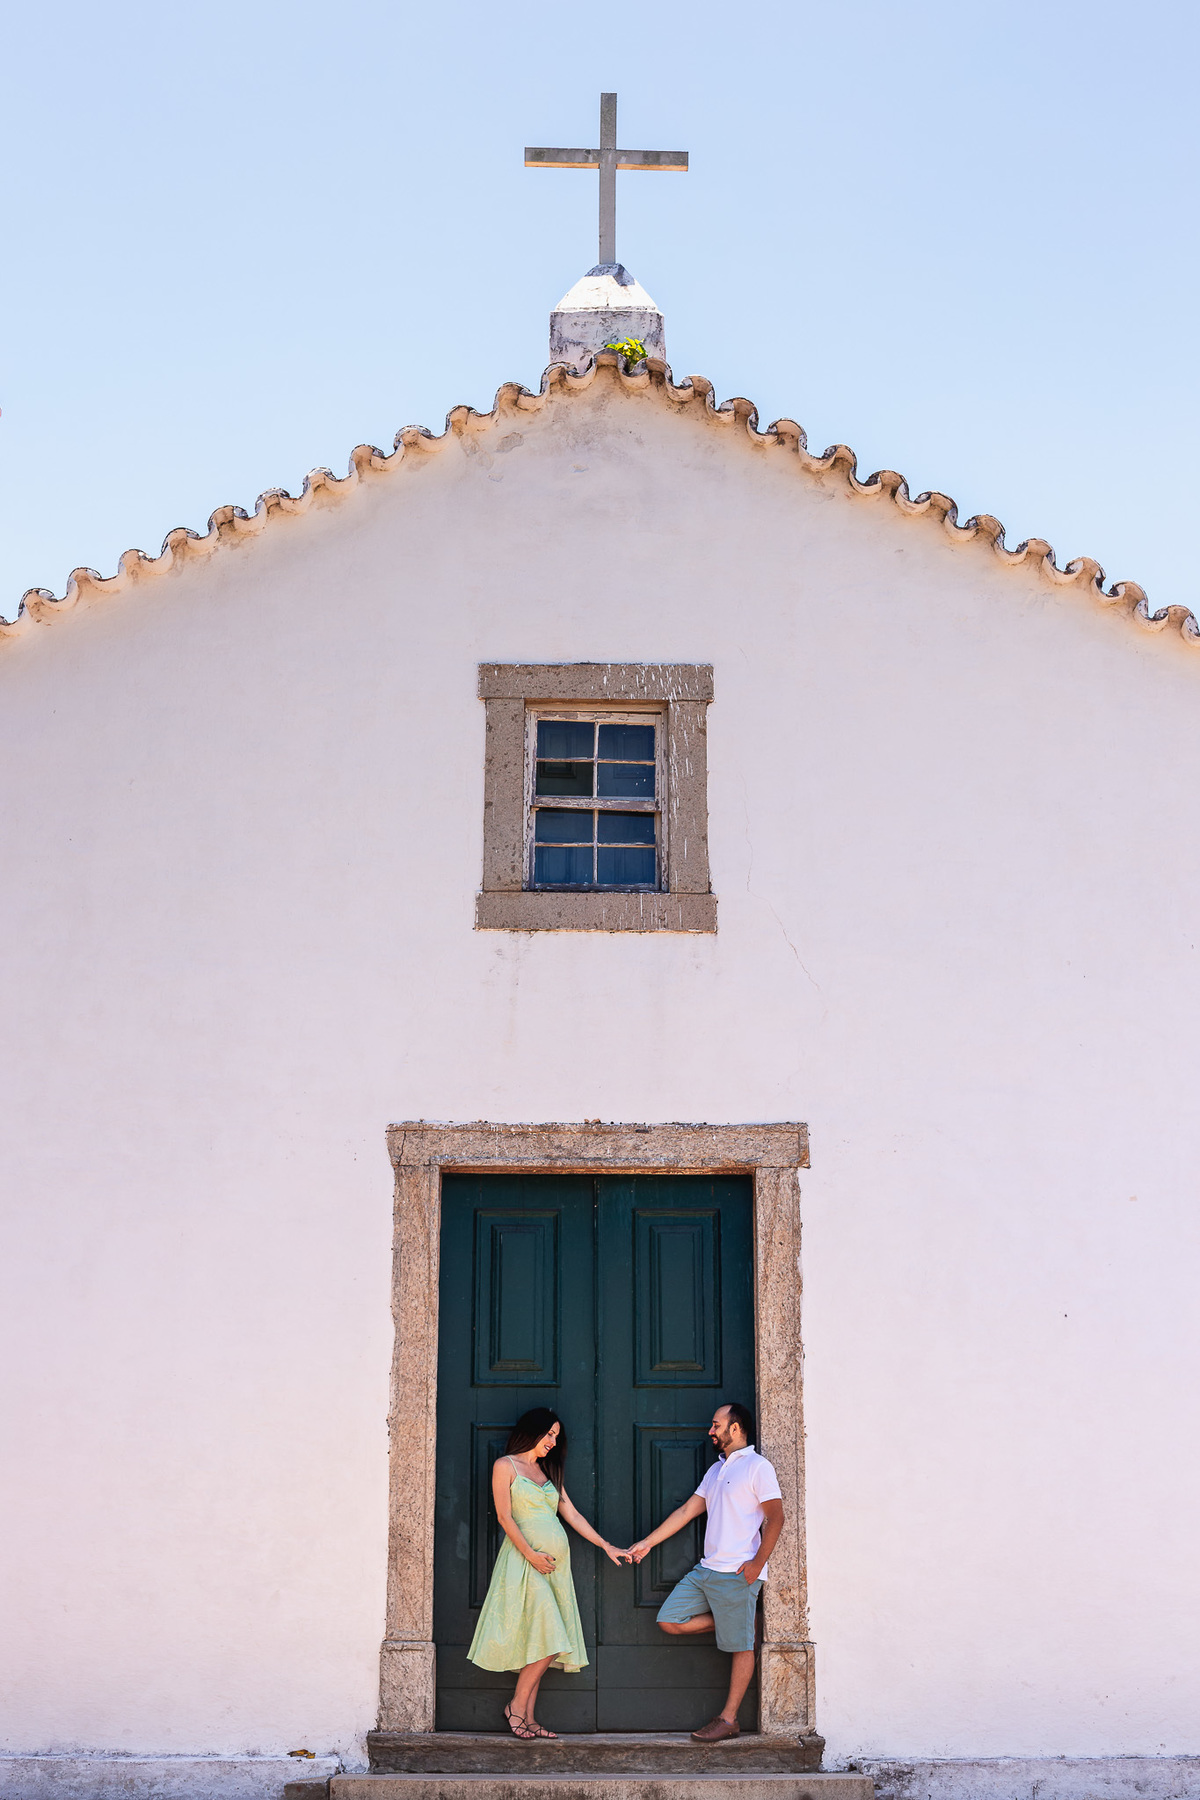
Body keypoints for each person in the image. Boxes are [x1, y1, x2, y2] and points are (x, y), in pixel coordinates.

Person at [628, 1402, 784, 1742]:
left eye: (717, 1425)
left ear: (736, 1429)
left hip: (738, 1571)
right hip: (706, 1569)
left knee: (742, 1647)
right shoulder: (715, 1471)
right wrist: (648, 1543)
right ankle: (740, 1622)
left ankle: (729, 1719)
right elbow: (687, 1511)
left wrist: (757, 1563)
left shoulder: (758, 1467)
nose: (711, 1431)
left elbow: (777, 1516)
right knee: (669, 1619)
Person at [467, 1407, 626, 1741]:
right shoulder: (505, 1466)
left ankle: (528, 1716)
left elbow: (573, 1514)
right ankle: (516, 1707)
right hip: (524, 1561)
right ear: (532, 1431)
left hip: (555, 1568)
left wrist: (606, 1545)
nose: (553, 1442)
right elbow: (505, 1518)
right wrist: (532, 1556)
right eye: (549, 1433)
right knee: (552, 1636)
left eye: (557, 1436)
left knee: (543, 1638)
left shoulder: (549, 1472)